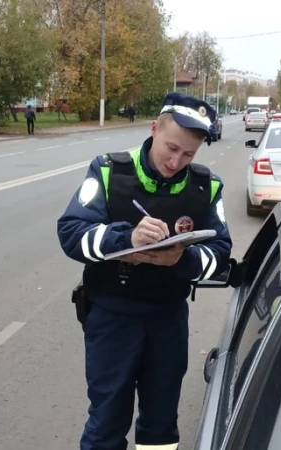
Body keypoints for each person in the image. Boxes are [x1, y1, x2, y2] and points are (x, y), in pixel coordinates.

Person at [57, 92, 233, 450]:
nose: (175, 161)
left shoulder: (206, 187)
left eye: (188, 154)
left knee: (161, 424)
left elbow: (220, 256)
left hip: (167, 318)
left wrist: (181, 260)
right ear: (154, 129)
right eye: (171, 148)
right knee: (107, 420)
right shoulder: (108, 171)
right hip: (112, 315)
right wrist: (126, 240)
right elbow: (71, 233)